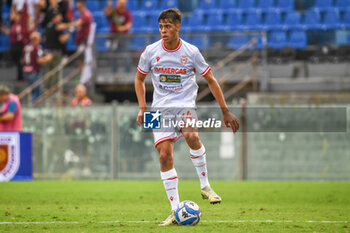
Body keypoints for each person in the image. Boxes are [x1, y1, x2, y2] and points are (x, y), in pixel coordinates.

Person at [134, 9, 240, 226]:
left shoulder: (191, 52)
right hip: (159, 110)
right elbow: (139, 79)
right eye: (161, 26)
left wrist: (225, 110)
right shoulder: (150, 51)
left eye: (168, 26)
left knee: (192, 135)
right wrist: (142, 108)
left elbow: (211, 80)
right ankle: (175, 211)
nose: (163, 31)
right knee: (164, 156)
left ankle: (205, 186)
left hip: (184, 106)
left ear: (178, 27)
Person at [22, 31, 53, 101]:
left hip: (26, 72)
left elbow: (22, 60)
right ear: (37, 39)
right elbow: (38, 60)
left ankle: (30, 105)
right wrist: (47, 58)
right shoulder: (37, 47)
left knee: (32, 91)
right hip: (34, 72)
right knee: (37, 93)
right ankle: (32, 108)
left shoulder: (26, 47)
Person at [104, 0, 133, 73]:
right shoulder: (114, 12)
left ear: (124, 4)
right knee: (114, 55)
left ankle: (128, 71)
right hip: (113, 37)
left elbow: (129, 24)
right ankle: (114, 72)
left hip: (124, 37)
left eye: (121, 3)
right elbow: (106, 13)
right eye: (119, 3)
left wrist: (123, 28)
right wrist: (109, 5)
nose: (119, 4)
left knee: (126, 54)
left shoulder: (127, 13)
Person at [44, 10, 69, 89]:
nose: (60, 17)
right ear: (55, 17)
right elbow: (62, 39)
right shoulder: (57, 26)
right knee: (56, 71)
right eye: (59, 16)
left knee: (49, 71)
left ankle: (46, 88)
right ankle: (54, 89)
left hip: (48, 52)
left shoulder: (48, 26)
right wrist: (68, 35)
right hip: (55, 53)